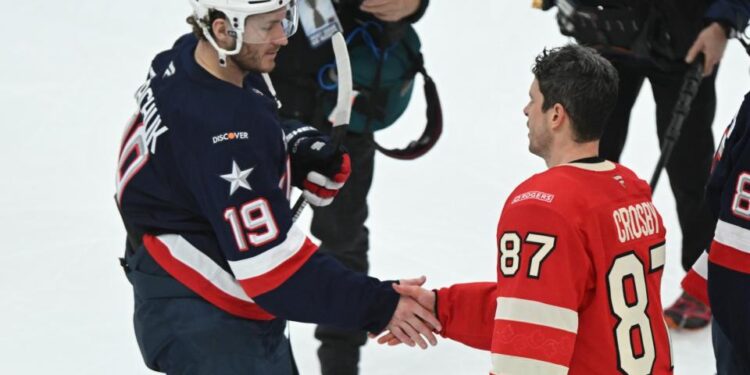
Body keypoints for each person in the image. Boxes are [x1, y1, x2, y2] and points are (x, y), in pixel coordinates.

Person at [115, 1, 441, 373]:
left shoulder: (189, 58)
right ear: (224, 29)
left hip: (185, 285)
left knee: (343, 237)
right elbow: (276, 272)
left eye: (285, 20)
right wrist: (383, 306)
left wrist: (292, 144)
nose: (284, 37)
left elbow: (221, 134)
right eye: (269, 26)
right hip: (209, 321)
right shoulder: (229, 135)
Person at [376, 44, 674, 374]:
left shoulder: (542, 207)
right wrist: (443, 308)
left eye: (534, 99)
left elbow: (528, 356)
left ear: (557, 115)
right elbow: (551, 307)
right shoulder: (631, 190)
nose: (526, 109)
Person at [539, 0, 750, 329]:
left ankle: (705, 279)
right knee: (582, 160)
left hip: (686, 42)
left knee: (689, 167)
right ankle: (577, 267)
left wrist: (723, 22)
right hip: (604, 31)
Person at [269, 0, 429, 374]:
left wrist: (412, 6)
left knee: (342, 238)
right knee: (239, 234)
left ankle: (340, 367)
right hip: (259, 101)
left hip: (345, 109)